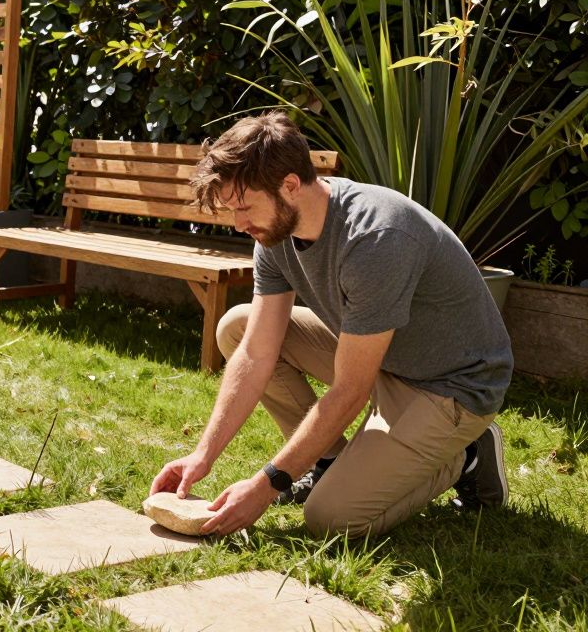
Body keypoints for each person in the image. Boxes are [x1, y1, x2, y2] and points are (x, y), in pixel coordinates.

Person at [150, 111, 512, 538]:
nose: (239, 224)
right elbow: (256, 350)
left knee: (331, 519)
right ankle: (328, 463)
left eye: (244, 207)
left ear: (289, 185)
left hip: (452, 387)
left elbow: (349, 391)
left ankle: (466, 454)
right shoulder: (275, 232)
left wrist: (268, 483)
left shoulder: (376, 238)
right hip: (385, 360)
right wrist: (203, 455)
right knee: (237, 327)